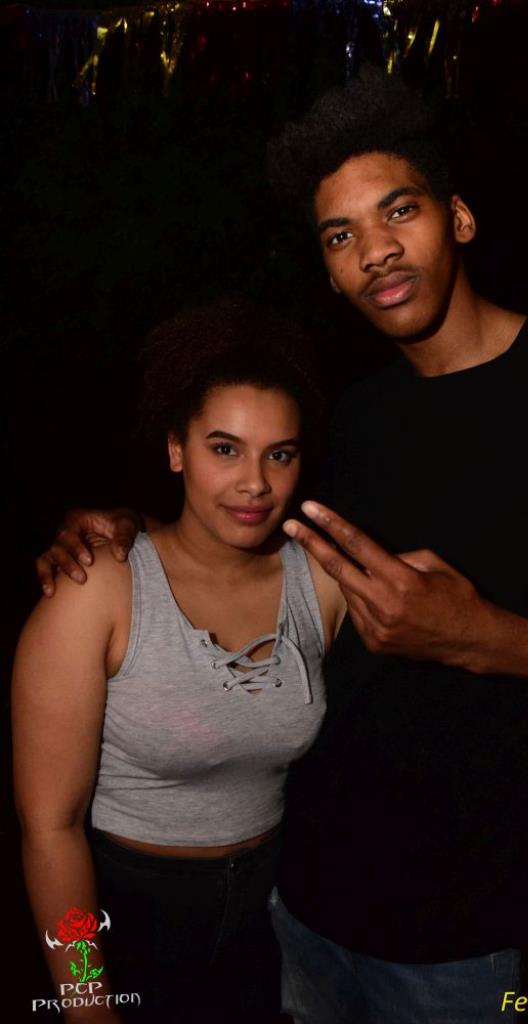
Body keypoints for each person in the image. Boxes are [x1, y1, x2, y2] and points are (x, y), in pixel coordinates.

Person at [36, 68, 528, 1023]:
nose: (374, 250)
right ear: (330, 272)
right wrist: (127, 529)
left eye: (398, 212)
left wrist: (486, 637)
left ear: (458, 218)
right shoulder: (350, 420)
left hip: (467, 938)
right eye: (339, 236)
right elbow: (241, 534)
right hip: (303, 910)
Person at [13, 298, 345, 1024]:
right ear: (176, 451)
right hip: (127, 918)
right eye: (224, 449)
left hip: (266, 920)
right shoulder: (98, 589)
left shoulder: (320, 582)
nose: (254, 482)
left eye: (279, 454)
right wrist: (86, 1001)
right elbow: (49, 830)